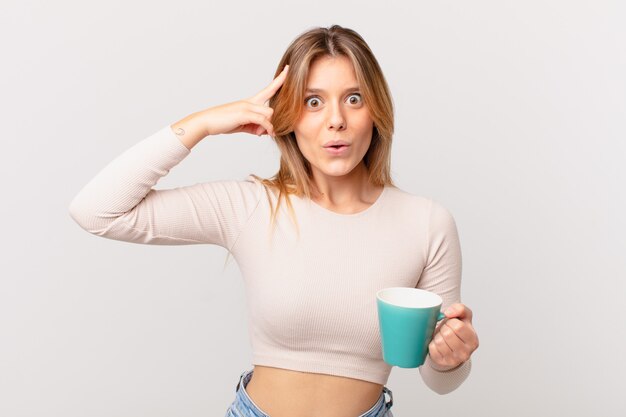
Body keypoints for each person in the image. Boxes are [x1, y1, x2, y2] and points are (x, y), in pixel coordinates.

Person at [69, 25, 479, 417]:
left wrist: (451, 357)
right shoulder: (252, 206)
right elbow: (96, 211)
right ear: (288, 117)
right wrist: (203, 124)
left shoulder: (426, 223)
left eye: (354, 98)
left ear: (376, 111)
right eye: (312, 101)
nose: (336, 119)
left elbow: (441, 380)